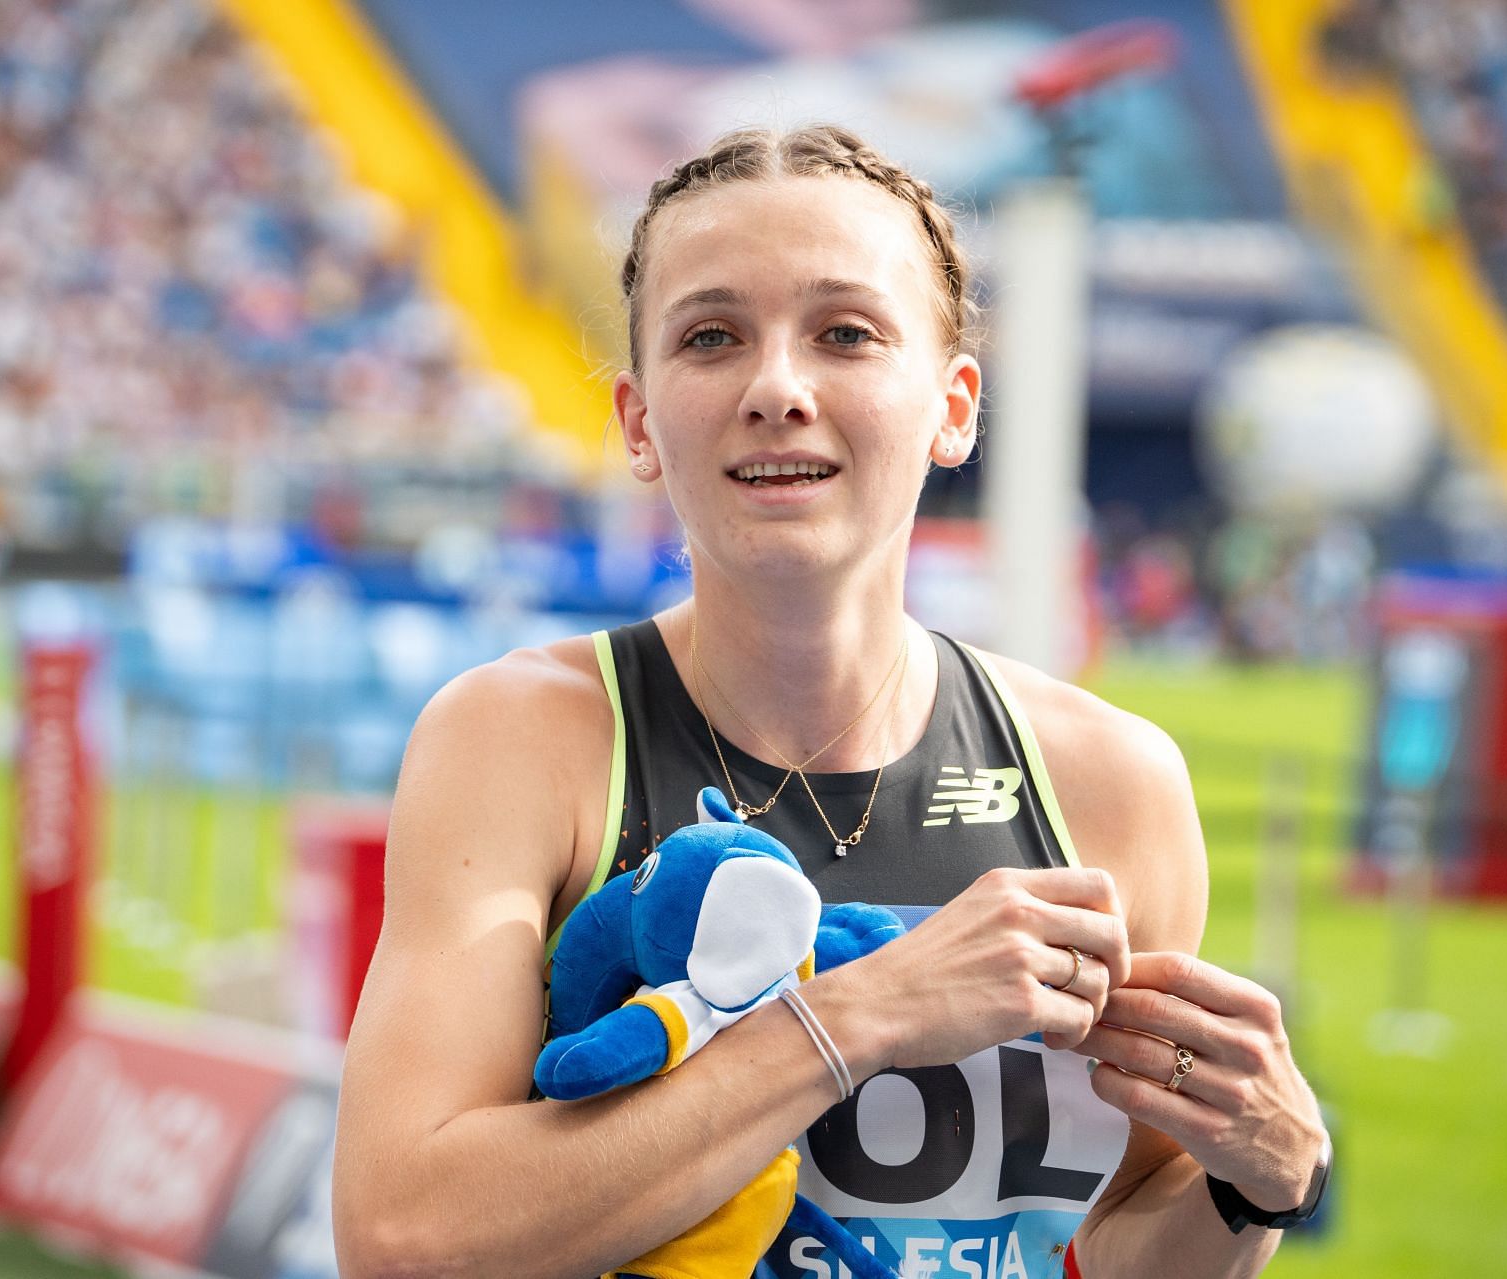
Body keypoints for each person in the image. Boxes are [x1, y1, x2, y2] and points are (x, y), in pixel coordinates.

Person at [332, 124, 1328, 1278]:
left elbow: (1123, 1253)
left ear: (953, 406)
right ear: (640, 424)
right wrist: (859, 1017)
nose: (776, 388)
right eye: (712, 337)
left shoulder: (1112, 779)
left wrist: (1261, 1181)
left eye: (846, 333)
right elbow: (402, 1235)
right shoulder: (521, 739)